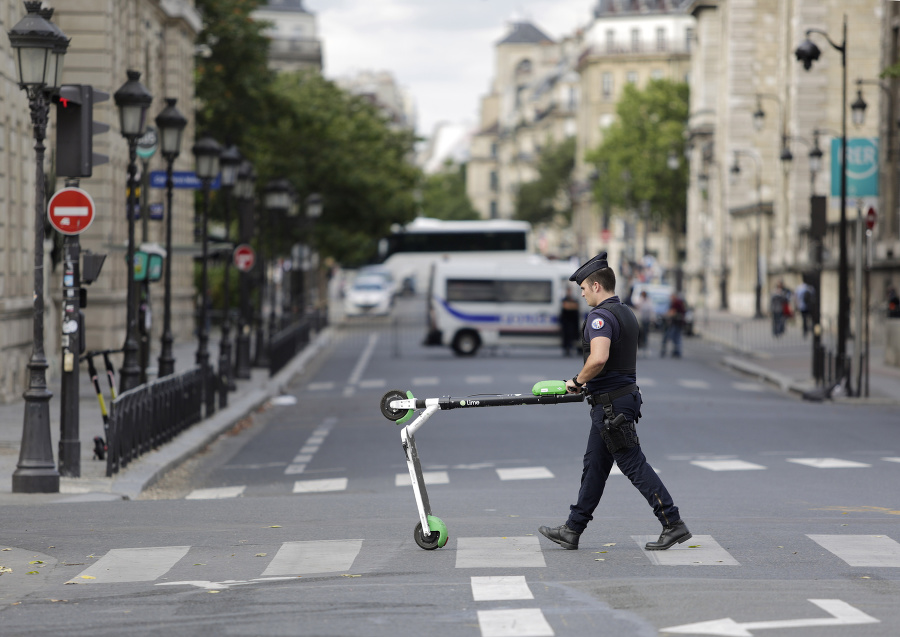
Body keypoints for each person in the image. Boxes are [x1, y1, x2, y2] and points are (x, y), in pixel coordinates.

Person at [538, 253, 691, 552]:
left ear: (596, 285)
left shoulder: (599, 317)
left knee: (632, 463)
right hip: (618, 402)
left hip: (611, 407)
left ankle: (673, 523)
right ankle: (572, 528)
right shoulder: (625, 313)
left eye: (583, 287)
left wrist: (577, 381)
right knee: (594, 465)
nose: (581, 292)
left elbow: (599, 358)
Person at [659, 293, 686, 358]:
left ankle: (677, 351)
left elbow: (672, 312)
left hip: (677, 323)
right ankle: (676, 351)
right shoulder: (676, 302)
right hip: (677, 323)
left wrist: (665, 315)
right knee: (676, 337)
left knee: (674, 337)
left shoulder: (676, 303)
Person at [560, 287, 581, 356]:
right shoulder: (565, 299)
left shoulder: (573, 299)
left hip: (572, 323)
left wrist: (569, 306)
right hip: (566, 323)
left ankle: (572, 348)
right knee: (566, 337)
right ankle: (567, 349)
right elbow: (565, 307)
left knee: (573, 337)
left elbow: (574, 307)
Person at [633, 290, 655, 356]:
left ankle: (644, 348)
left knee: (645, 334)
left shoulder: (648, 301)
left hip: (646, 320)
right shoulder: (640, 300)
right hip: (640, 320)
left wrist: (652, 318)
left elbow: (651, 310)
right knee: (640, 334)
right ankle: (640, 347)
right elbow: (637, 308)